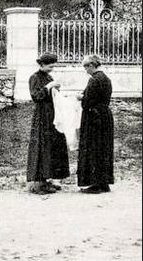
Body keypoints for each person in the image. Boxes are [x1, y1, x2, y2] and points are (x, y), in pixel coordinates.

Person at [26, 53, 70, 194]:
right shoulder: (34, 77)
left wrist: (56, 89)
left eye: (53, 66)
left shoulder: (48, 77)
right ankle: (39, 183)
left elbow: (52, 95)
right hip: (42, 117)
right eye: (50, 66)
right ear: (42, 64)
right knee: (41, 146)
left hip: (52, 116)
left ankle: (48, 178)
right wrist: (49, 87)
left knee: (52, 147)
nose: (52, 68)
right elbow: (36, 96)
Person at [77, 54, 114, 194]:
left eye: (86, 67)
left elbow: (87, 102)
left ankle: (95, 184)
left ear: (92, 66)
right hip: (105, 116)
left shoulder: (94, 80)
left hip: (94, 118)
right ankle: (104, 183)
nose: (85, 70)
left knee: (93, 148)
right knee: (104, 149)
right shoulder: (106, 78)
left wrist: (81, 97)